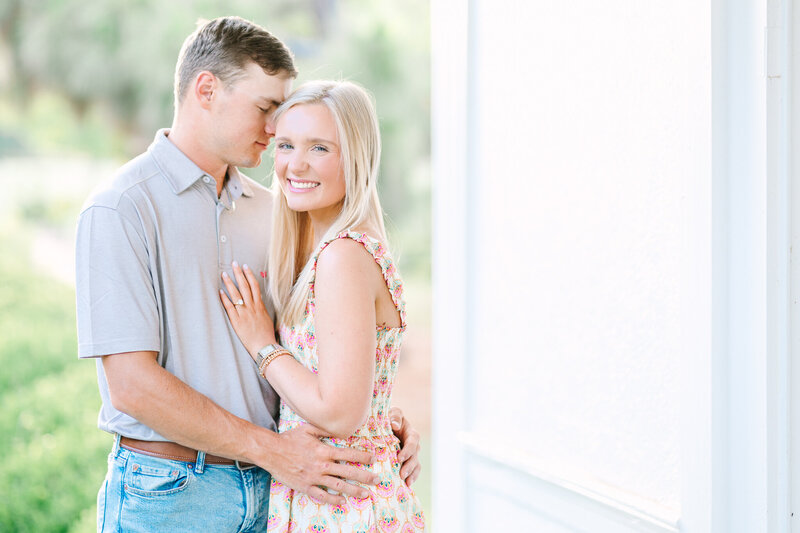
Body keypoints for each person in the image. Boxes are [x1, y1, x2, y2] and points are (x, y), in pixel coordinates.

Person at [75, 16, 420, 532]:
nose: (273, 131)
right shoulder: (121, 209)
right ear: (207, 89)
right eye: (265, 110)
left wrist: (379, 423)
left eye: (281, 119)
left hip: (283, 493)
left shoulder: (282, 213)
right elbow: (131, 387)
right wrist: (276, 450)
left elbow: (332, 348)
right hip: (171, 494)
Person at [219, 80, 425, 531]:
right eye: (288, 144)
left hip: (343, 505)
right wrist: (383, 419)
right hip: (340, 493)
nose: (296, 164)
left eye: (320, 148)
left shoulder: (343, 256)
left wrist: (263, 345)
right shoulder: (332, 249)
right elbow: (354, 392)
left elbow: (338, 411)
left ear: (356, 157)